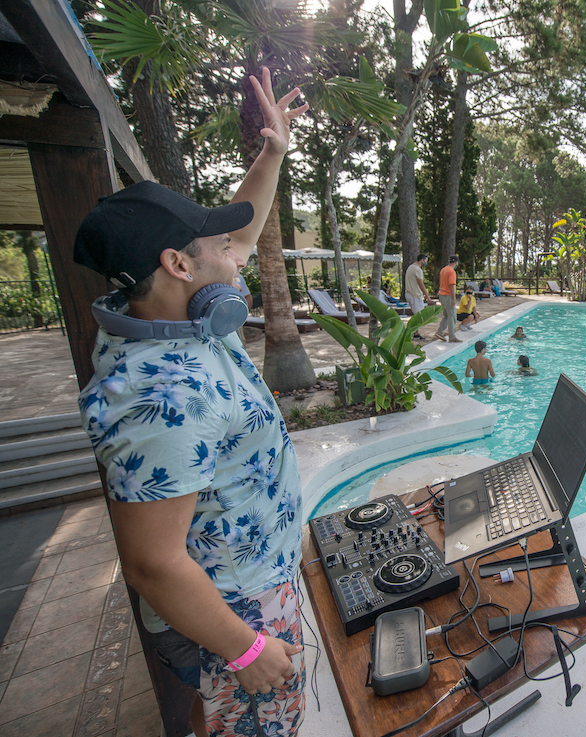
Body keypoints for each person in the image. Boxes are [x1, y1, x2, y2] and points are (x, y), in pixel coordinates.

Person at [73, 68, 308, 737]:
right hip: (234, 610)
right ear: (178, 265)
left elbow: (241, 235)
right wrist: (246, 648)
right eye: (219, 247)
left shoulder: (178, 317)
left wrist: (272, 154)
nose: (236, 258)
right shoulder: (163, 398)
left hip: (251, 578)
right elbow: (152, 562)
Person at [435, 255, 462, 343]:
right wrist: (454, 298)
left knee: (446, 315)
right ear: (456, 262)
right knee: (452, 316)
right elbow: (451, 285)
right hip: (448, 295)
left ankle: (439, 332)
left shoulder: (443, 269)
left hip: (441, 295)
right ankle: (452, 337)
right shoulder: (451, 271)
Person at [405, 252, 431, 339]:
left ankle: (415, 332)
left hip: (409, 293)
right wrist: (427, 295)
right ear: (422, 260)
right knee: (419, 316)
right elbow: (421, 284)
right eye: (425, 261)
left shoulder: (410, 267)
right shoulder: (418, 270)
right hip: (415, 295)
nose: (426, 263)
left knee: (416, 315)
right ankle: (413, 333)